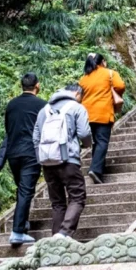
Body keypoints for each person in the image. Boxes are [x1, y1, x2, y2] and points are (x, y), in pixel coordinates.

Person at [0, 72, 46, 248]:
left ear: (22, 86)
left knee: (22, 189)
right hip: (31, 153)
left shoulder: (12, 105)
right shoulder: (42, 105)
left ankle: (22, 225)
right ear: (37, 85)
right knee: (25, 191)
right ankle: (17, 232)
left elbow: (8, 129)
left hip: (13, 154)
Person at [33, 83, 92, 238]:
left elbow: (36, 138)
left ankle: (56, 236)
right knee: (77, 196)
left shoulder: (43, 111)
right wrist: (86, 145)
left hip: (47, 163)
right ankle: (64, 233)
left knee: (57, 202)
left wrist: (42, 157)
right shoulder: (76, 108)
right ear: (77, 93)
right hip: (68, 160)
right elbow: (85, 133)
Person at [78, 53, 125, 185]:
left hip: (86, 115)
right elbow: (120, 86)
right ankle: (95, 169)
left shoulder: (84, 78)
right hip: (102, 113)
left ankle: (99, 169)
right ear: (102, 62)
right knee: (102, 141)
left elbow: (79, 94)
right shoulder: (109, 73)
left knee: (96, 142)